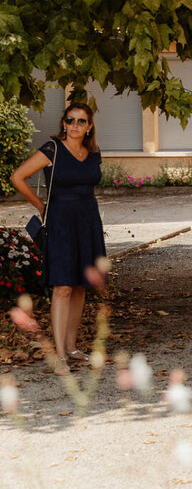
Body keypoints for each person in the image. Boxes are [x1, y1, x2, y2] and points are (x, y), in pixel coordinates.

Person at [10, 103, 107, 373]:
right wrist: (41, 206)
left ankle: (72, 347)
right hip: (61, 222)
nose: (75, 125)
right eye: (70, 120)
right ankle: (59, 356)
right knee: (62, 287)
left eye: (81, 121)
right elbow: (18, 177)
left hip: (87, 221)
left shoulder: (93, 153)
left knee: (80, 286)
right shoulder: (52, 149)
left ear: (89, 126)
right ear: (63, 123)